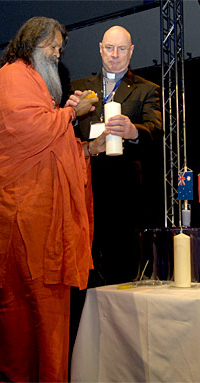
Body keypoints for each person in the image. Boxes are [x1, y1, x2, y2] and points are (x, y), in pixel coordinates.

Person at [0, 17, 102, 382]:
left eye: (60, 48)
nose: (57, 52)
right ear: (32, 41)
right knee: (18, 318)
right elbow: (28, 130)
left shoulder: (35, 85)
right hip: (21, 218)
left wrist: (85, 150)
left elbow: (49, 144)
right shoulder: (12, 75)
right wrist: (69, 113)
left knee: (47, 316)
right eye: (52, 45)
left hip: (41, 221)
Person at [71, 25, 162, 286]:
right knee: (85, 267)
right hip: (85, 185)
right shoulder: (80, 89)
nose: (114, 54)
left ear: (131, 51)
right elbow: (63, 135)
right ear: (100, 49)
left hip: (124, 191)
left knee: (120, 268)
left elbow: (156, 129)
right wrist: (71, 117)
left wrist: (134, 131)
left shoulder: (146, 89)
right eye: (109, 48)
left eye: (121, 49)